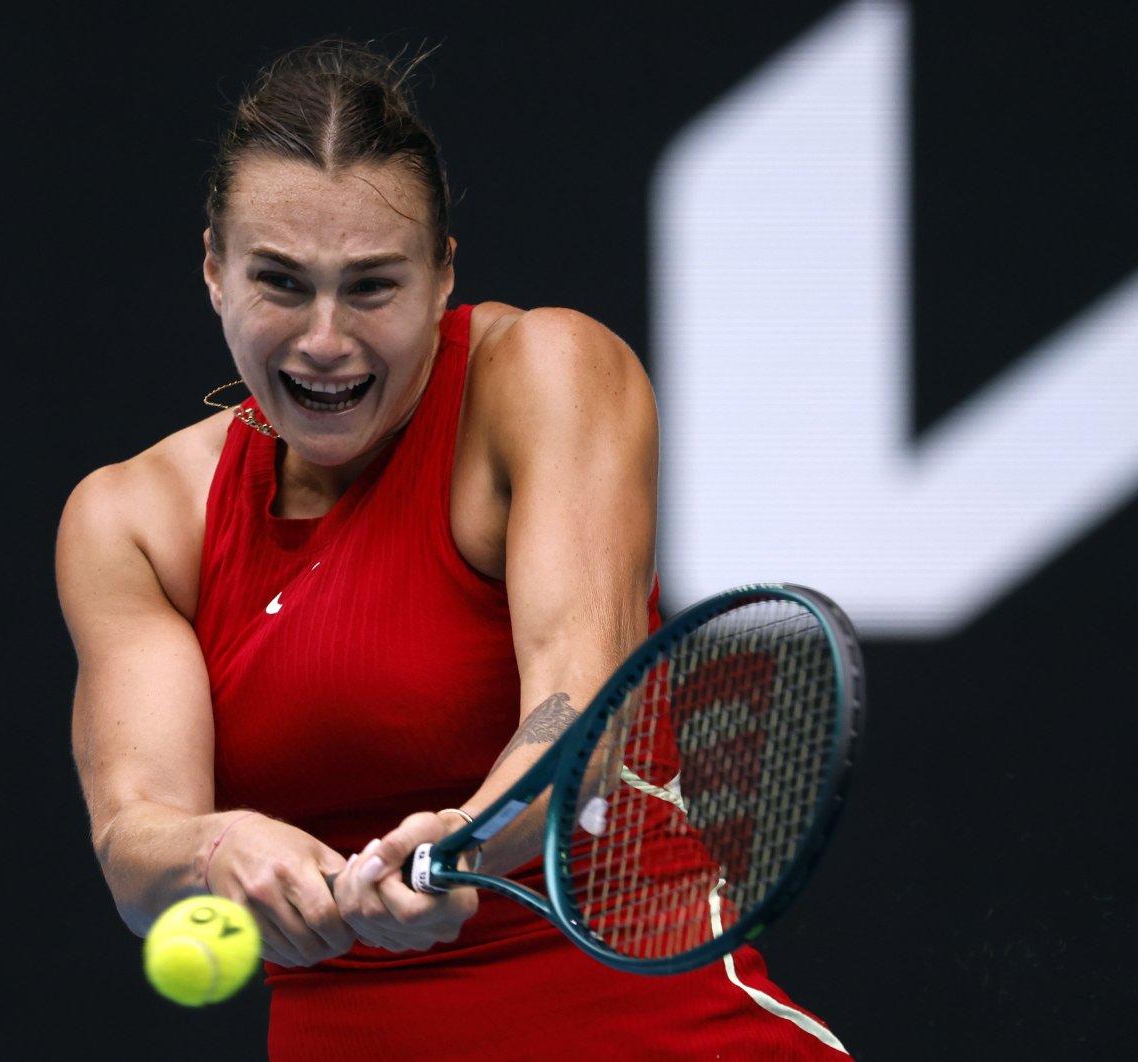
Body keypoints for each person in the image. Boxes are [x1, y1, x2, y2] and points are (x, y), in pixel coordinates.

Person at [57, 39, 848, 1060]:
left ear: (443, 278)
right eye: (281, 283)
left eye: (373, 286)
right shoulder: (134, 519)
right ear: (214, 270)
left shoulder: (548, 376)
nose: (325, 340)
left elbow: (577, 716)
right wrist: (215, 845)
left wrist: (464, 835)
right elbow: (135, 844)